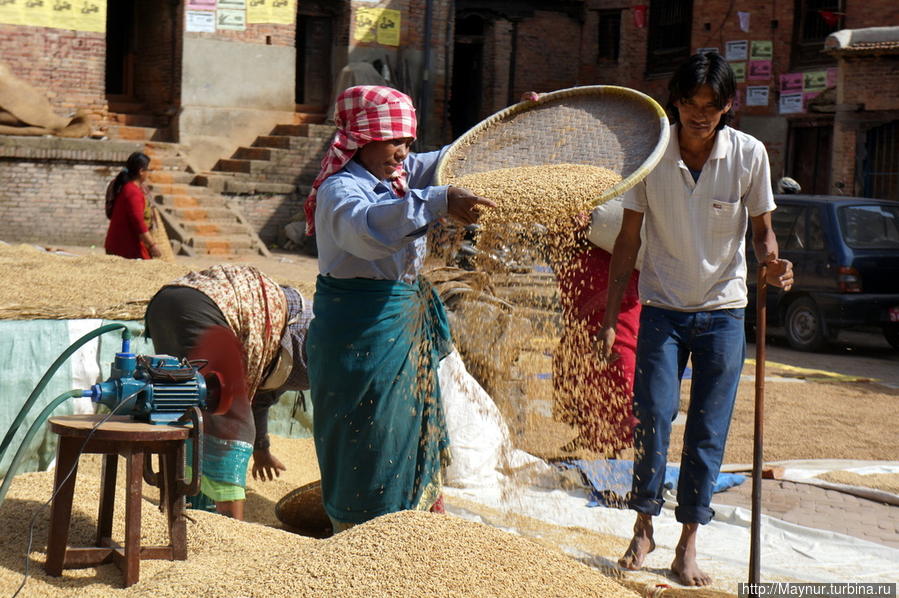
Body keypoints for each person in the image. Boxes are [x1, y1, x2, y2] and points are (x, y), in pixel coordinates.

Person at [598, 53, 793, 585]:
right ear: (676, 104)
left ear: (728, 106)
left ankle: (688, 541)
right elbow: (628, 240)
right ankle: (643, 523)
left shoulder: (749, 155)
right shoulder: (650, 154)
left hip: (723, 312)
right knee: (654, 416)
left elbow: (762, 232)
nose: (701, 115)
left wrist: (771, 264)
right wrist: (613, 316)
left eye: (712, 105)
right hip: (663, 307)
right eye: (690, 104)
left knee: (709, 430)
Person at [306, 85, 494, 532]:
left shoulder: (401, 172)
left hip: (400, 324)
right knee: (368, 439)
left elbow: (460, 157)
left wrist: (518, 122)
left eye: (408, 142)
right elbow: (368, 232)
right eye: (393, 142)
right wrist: (438, 201)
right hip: (359, 337)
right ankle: (360, 537)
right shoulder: (340, 190)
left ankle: (409, 532)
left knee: (407, 430)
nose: (403, 153)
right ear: (361, 140)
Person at [144, 264, 313, 520]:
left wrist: (261, 448)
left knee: (186, 410)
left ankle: (179, 510)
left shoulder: (271, 351)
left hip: (166, 303)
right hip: (206, 308)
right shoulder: (310, 336)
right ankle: (231, 530)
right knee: (232, 424)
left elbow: (261, 397)